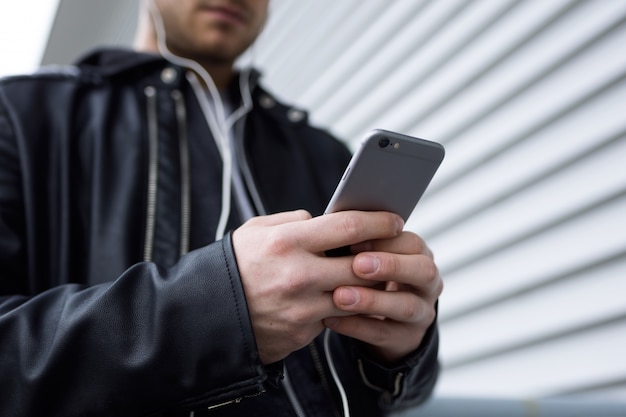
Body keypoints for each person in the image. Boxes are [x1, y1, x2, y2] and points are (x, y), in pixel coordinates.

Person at [0, 0, 442, 416]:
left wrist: (400, 351)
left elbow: (400, 394)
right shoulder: (21, 115)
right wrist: (218, 313)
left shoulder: (321, 152)